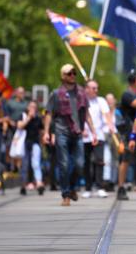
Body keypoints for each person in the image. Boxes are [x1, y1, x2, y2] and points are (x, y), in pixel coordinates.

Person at [43, 64, 97, 206]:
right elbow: (49, 114)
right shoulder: (55, 94)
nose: (73, 75)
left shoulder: (81, 93)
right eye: (69, 73)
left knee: (80, 164)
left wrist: (94, 132)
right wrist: (46, 132)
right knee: (64, 164)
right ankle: (66, 194)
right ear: (63, 76)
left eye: (74, 73)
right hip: (61, 132)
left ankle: (72, 188)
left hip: (77, 132)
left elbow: (87, 114)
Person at [116, 71, 136, 201]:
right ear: (134, 81)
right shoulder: (127, 95)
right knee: (126, 160)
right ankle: (121, 187)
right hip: (129, 132)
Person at [82, 80, 114, 199]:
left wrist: (110, 125)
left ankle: (100, 187)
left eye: (96, 88)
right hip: (85, 136)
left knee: (99, 160)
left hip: (99, 135)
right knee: (87, 163)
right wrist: (82, 130)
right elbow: (80, 116)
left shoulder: (101, 101)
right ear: (87, 89)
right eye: (93, 88)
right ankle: (88, 188)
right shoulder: (83, 101)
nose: (96, 90)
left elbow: (107, 114)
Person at [17, 100, 45, 195]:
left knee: (36, 164)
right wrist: (28, 117)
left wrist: (43, 140)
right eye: (31, 106)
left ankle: (39, 183)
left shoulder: (38, 118)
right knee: (24, 165)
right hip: (24, 144)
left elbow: (42, 130)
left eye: (34, 107)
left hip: (35, 143)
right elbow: (20, 126)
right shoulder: (23, 116)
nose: (33, 108)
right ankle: (23, 185)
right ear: (28, 107)